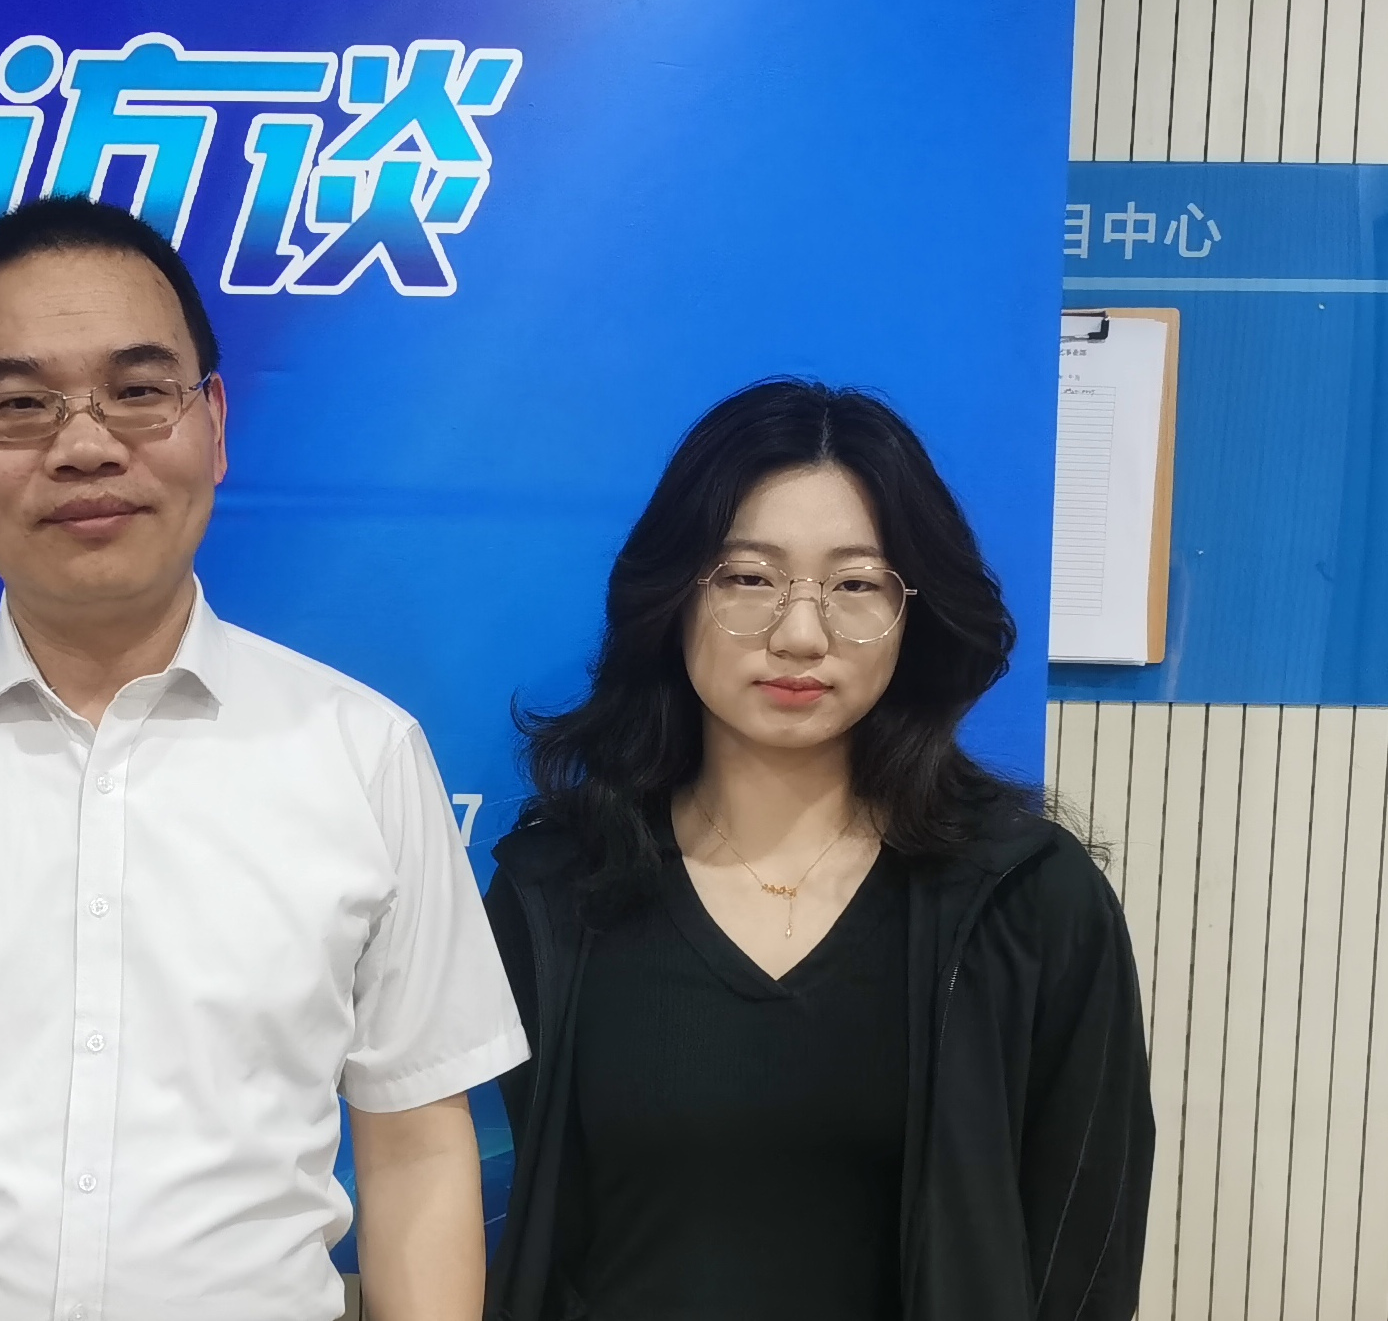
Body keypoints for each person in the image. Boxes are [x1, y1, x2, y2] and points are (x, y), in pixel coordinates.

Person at [0, 196, 526, 1321]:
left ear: (213, 421)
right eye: (21, 404)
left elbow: (416, 1146)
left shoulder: (361, 753)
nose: (84, 446)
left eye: (137, 390)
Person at [483, 378, 1153, 1321]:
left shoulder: (1028, 899)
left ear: (914, 612)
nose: (801, 635)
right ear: (673, 596)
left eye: (856, 586)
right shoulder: (556, 892)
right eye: (748, 579)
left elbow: (1086, 1254)